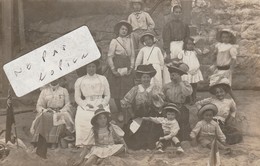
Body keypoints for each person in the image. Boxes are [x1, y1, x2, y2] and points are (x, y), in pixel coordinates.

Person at [121, 64, 164, 150]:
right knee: (133, 131)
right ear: (140, 78)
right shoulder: (135, 89)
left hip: (152, 116)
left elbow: (161, 104)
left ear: (151, 78)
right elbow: (125, 101)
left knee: (154, 130)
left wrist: (156, 98)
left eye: (148, 77)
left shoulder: (155, 88)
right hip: (138, 116)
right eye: (144, 77)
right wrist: (132, 114)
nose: (146, 79)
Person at [196, 77, 243, 145]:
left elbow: (233, 110)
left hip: (222, 124)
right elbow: (198, 103)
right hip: (211, 121)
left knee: (236, 134)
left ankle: (217, 141)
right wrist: (202, 112)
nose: (219, 94)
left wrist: (231, 118)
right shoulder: (211, 100)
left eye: (221, 92)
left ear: (225, 92)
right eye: (217, 92)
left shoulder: (230, 102)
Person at [74, 60, 110, 147]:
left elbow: (107, 95)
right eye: (89, 67)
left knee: (102, 115)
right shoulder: (80, 80)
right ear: (86, 68)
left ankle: (101, 141)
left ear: (96, 67)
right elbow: (77, 97)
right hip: (87, 103)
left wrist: (103, 104)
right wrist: (85, 105)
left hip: (100, 102)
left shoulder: (102, 79)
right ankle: (84, 143)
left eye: (93, 67)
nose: (91, 69)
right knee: (82, 116)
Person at [30, 79, 74, 149]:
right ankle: (38, 141)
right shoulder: (44, 91)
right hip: (48, 111)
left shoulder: (63, 90)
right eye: (53, 79)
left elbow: (68, 104)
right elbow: (39, 105)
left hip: (60, 111)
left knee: (58, 117)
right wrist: (45, 110)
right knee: (45, 116)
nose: (54, 81)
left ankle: (53, 142)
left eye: (56, 79)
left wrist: (61, 110)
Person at [107, 20, 135, 115]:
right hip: (117, 64)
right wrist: (113, 69)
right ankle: (120, 111)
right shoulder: (114, 41)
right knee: (117, 88)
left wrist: (131, 68)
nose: (124, 31)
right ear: (118, 30)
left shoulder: (130, 41)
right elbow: (110, 56)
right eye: (122, 29)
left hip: (126, 64)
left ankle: (128, 111)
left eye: (126, 29)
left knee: (128, 88)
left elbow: (132, 55)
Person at [163, 62, 192, 142]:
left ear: (180, 76)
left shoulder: (185, 84)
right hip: (170, 107)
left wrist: (180, 82)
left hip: (180, 106)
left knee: (183, 118)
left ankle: (182, 139)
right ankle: (168, 139)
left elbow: (188, 93)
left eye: (175, 75)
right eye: (171, 75)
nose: (172, 77)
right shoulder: (167, 86)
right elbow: (162, 97)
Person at [162, 4, 190, 84]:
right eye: (176, 12)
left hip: (181, 45)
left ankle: (182, 87)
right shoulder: (168, 25)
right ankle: (168, 85)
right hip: (172, 45)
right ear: (173, 13)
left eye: (179, 12)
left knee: (181, 65)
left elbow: (187, 37)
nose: (177, 14)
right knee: (170, 64)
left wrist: (185, 48)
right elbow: (166, 39)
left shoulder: (184, 25)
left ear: (181, 13)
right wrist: (168, 53)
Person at [210, 29, 238, 101]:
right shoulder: (218, 46)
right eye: (223, 37)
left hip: (226, 69)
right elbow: (215, 57)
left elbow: (234, 59)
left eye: (227, 37)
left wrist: (231, 69)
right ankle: (219, 99)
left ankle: (235, 99)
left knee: (226, 86)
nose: (225, 39)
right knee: (217, 85)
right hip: (218, 69)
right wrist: (214, 62)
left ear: (230, 38)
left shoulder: (231, 47)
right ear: (221, 38)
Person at [177, 37, 203, 104]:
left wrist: (194, 48)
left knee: (194, 85)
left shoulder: (195, 52)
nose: (190, 46)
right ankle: (189, 99)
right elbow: (179, 59)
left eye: (192, 44)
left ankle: (194, 97)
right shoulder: (183, 52)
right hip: (187, 72)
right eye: (188, 44)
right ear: (185, 45)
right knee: (188, 85)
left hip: (195, 71)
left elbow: (200, 53)